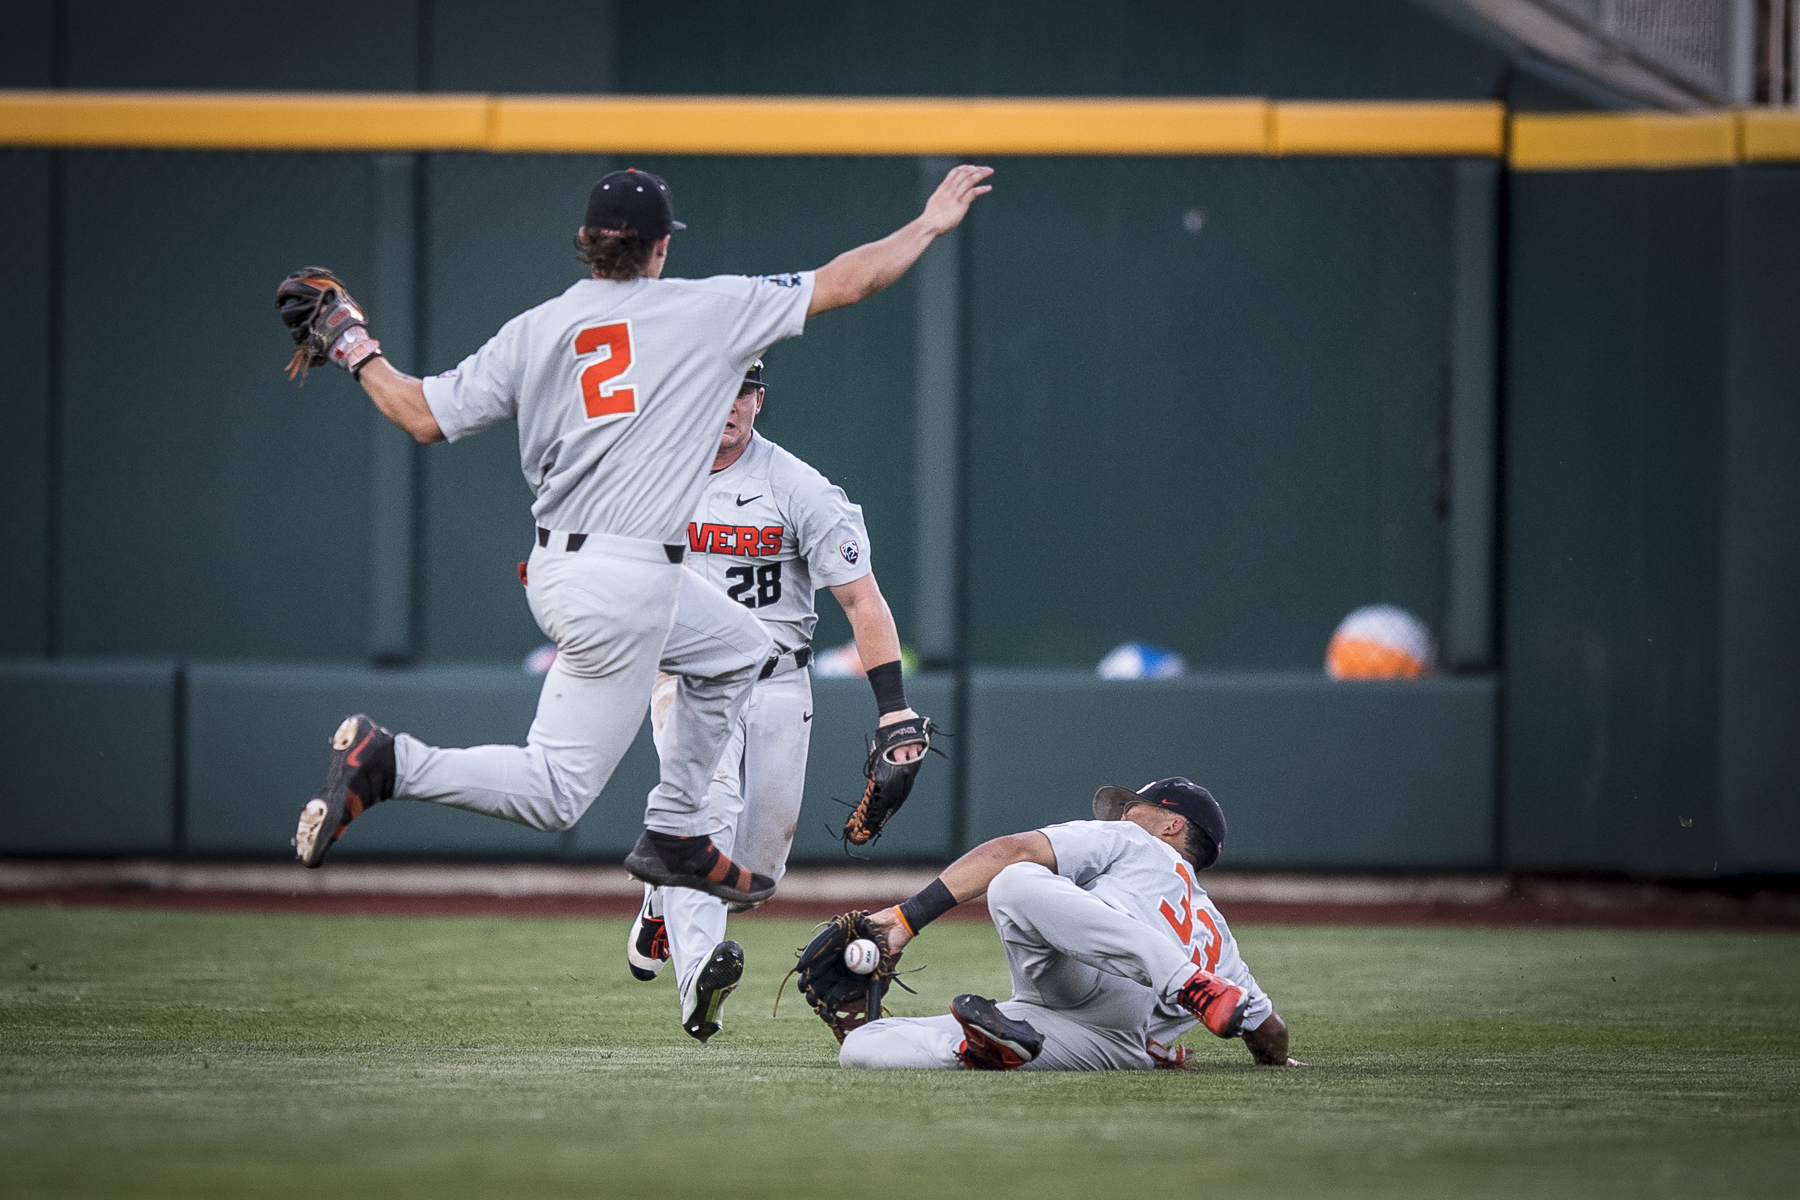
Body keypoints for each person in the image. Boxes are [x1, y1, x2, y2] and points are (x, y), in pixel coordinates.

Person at [288, 164, 994, 909]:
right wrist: (927, 224)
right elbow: (849, 281)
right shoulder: (704, 309)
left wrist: (350, 341)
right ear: (660, 248)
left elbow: (420, 415)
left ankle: (399, 765)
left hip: (564, 569)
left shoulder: (537, 328)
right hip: (628, 576)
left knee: (734, 654)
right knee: (563, 788)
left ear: (587, 244)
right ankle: (662, 825)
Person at [626, 360, 928, 1042]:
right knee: (706, 812)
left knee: (754, 876)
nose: (728, 405)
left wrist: (894, 709)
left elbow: (862, 598)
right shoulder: (648, 473)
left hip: (777, 679)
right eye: (714, 390)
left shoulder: (797, 487)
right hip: (690, 678)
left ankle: (660, 896)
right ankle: (701, 988)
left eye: (742, 390)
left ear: (758, 400)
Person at [839, 777, 1303, 1071]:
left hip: (1100, 980)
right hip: (1110, 1041)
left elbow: (1009, 850)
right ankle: (984, 1052)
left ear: (1171, 826)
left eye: (1135, 806)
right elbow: (1270, 1031)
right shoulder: (1219, 936)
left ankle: (1182, 980)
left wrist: (904, 919)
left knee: (1014, 880)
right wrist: (1278, 1062)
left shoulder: (1134, 841)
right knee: (862, 1047)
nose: (1124, 814)